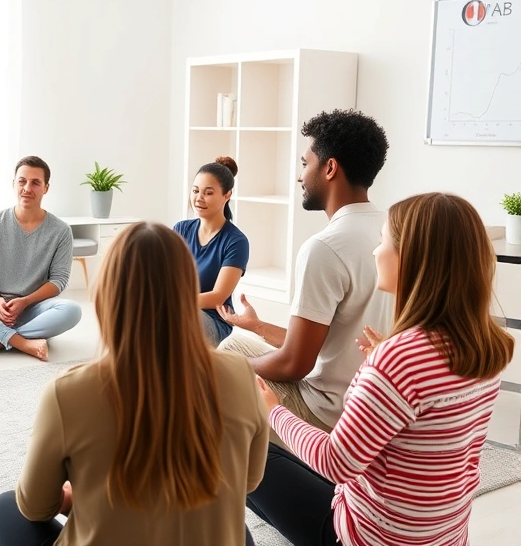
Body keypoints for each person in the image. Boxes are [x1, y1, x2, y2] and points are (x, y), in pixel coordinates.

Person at [246, 192, 514, 546]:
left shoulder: (400, 359)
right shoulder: (486, 344)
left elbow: (336, 463)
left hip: (370, 538)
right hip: (443, 535)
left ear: (412, 259)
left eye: (384, 241)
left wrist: (274, 411)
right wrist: (387, 358)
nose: (375, 251)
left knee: (235, 445)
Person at [0, 222, 268, 546]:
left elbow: (35, 506)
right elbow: (247, 481)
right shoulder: (239, 374)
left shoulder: (68, 393)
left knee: (5, 509)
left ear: (107, 296)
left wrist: (73, 497)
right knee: (236, 530)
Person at [217, 109, 392, 434]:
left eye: (304, 163)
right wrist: (256, 326)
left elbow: (296, 364)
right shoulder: (392, 229)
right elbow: (326, 342)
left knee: (219, 368)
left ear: (329, 168)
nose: (300, 176)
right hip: (372, 407)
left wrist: (224, 370)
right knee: (233, 346)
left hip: (327, 415)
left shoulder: (325, 247)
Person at [0, 156, 81, 361]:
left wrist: (25, 301)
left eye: (35, 182)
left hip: (35, 308)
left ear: (46, 188)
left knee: (72, 310)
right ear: (13, 184)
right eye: (22, 181)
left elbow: (58, 280)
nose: (27, 188)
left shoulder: (61, 231)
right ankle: (22, 341)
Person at [173, 156, 249, 346]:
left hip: (213, 322)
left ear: (227, 195)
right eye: (195, 191)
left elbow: (218, 296)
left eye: (208, 193)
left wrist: (173, 302)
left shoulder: (236, 241)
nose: (199, 198)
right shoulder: (181, 230)